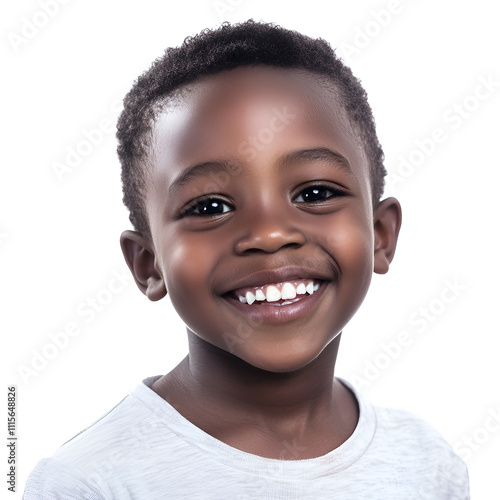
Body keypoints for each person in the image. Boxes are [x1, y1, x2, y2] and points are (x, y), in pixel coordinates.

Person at [23, 20, 470, 499]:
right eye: (210, 207)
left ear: (380, 235)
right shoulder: (88, 483)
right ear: (148, 264)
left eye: (315, 192)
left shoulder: (427, 464)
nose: (269, 233)